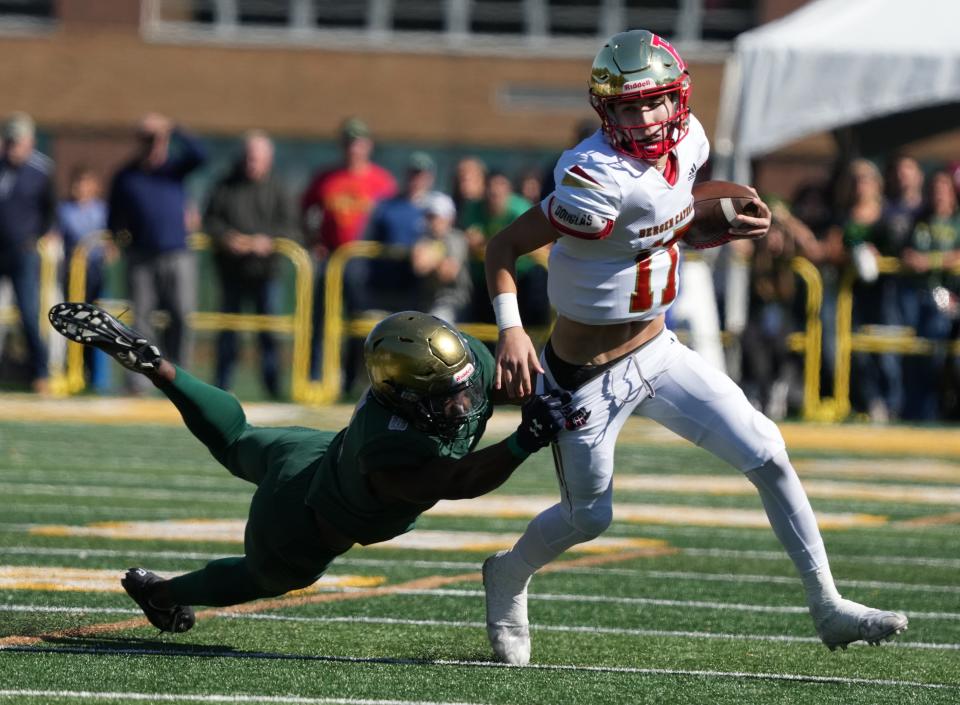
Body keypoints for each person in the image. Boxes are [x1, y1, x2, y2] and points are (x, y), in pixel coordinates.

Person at [481, 29, 908, 665]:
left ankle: (828, 605)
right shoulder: (591, 176)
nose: (646, 117)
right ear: (607, 112)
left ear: (678, 98)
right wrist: (512, 329)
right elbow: (503, 247)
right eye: (629, 107)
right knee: (589, 517)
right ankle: (508, 573)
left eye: (656, 102)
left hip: (659, 350)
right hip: (585, 375)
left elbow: (663, 227)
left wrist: (719, 228)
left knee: (767, 450)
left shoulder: (691, 140)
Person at [48, 302, 585, 633]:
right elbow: (455, 481)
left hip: (310, 453)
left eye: (462, 386)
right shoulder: (388, 446)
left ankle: (161, 368)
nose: (463, 404)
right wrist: (524, 440)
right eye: (445, 398)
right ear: (398, 394)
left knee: (239, 438)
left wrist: (546, 396)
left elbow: (509, 384)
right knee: (268, 576)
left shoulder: (459, 364)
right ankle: (161, 594)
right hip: (302, 517)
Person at [107, 113, 207, 383]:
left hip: (178, 254)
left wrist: (173, 128)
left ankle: (180, 377)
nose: (153, 145)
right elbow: (114, 216)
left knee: (181, 315)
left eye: (157, 140)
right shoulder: (126, 176)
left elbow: (201, 155)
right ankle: (139, 380)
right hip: (141, 256)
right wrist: (114, 240)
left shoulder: (174, 170)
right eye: (147, 139)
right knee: (141, 318)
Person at [204, 130, 299, 399]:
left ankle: (273, 388)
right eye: (248, 158)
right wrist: (227, 238)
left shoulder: (280, 188)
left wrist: (267, 242)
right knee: (227, 332)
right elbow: (210, 220)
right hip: (231, 273)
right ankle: (221, 386)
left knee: (268, 334)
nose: (251, 164)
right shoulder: (224, 185)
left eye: (256, 159)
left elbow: (292, 228)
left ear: (268, 160)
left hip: (266, 274)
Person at [300, 117, 397, 382]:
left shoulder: (382, 181)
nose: (353, 148)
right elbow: (305, 210)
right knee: (320, 319)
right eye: (348, 142)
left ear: (368, 145)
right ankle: (316, 376)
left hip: (363, 262)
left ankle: (355, 380)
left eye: (358, 142)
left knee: (359, 323)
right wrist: (313, 240)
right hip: (331, 259)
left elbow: (392, 218)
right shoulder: (325, 178)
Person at [0, 112, 55, 393]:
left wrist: (35, 238)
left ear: (30, 142)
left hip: (23, 252)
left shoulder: (41, 170)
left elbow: (50, 211)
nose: (12, 147)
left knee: (28, 313)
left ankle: (40, 372)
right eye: (8, 141)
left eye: (17, 141)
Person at [362, 151, 440, 312]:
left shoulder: (437, 208)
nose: (417, 179)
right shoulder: (386, 206)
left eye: (421, 174)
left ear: (430, 177)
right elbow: (370, 238)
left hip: (420, 288)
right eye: (413, 173)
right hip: (384, 283)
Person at [56, 164, 111, 391]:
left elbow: (111, 239)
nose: (81, 187)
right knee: (71, 324)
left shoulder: (103, 210)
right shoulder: (63, 210)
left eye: (86, 182)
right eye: (78, 182)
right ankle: (71, 373)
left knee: (98, 325)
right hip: (71, 277)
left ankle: (98, 380)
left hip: (97, 275)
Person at [411, 192, 472, 322]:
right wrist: (438, 260)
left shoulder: (457, 239)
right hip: (425, 301)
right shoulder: (424, 237)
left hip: (452, 302)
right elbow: (419, 266)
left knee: (437, 323)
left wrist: (431, 257)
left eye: (435, 216)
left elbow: (448, 273)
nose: (431, 221)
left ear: (448, 218)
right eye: (428, 216)